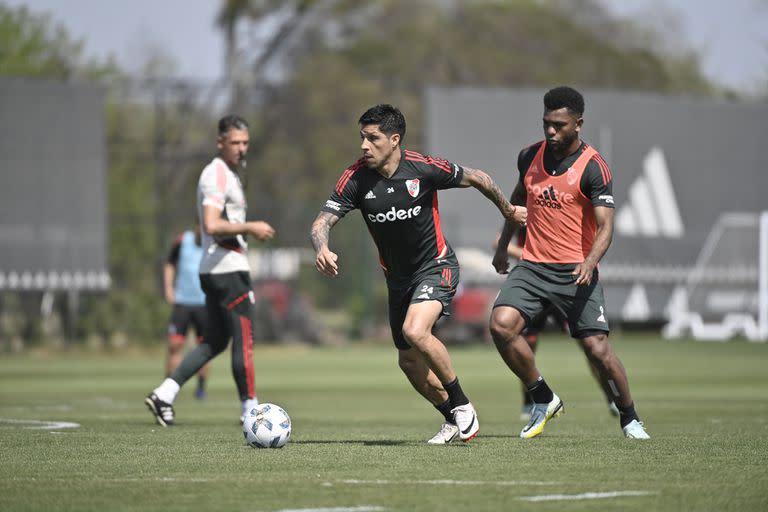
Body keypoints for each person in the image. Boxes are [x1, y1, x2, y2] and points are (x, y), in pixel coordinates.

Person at [310, 104, 526, 444]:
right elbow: (322, 221)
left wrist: (509, 210)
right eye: (362, 138)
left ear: (394, 140)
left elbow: (478, 178)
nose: (364, 146)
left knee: (415, 330)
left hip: (436, 266)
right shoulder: (355, 178)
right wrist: (321, 247)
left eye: (373, 138)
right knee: (409, 363)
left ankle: (462, 404)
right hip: (398, 279)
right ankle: (453, 417)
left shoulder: (423, 169)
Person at [489, 86, 650, 439]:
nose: (550, 131)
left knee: (598, 350)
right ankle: (543, 397)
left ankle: (630, 417)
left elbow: (607, 226)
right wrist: (503, 246)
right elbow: (516, 200)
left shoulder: (594, 168)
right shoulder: (528, 156)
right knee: (501, 326)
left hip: (575, 270)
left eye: (559, 125)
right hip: (532, 267)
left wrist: (591, 261)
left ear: (578, 124)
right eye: (546, 123)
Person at [145, 115, 276, 427]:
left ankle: (165, 393)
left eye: (245, 143)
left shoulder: (229, 175)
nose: (241, 149)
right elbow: (213, 225)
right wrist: (251, 227)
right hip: (227, 270)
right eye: (235, 143)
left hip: (218, 269)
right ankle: (251, 411)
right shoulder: (215, 174)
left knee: (215, 341)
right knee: (244, 338)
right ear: (220, 142)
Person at [496, 227, 620, 421]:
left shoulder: (566, 211)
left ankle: (612, 397)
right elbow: (498, 240)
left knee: (590, 346)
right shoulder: (531, 206)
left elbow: (601, 230)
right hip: (535, 280)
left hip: (566, 279)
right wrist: (533, 254)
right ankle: (530, 401)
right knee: (526, 342)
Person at [162, 221, 211, 400]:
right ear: (197, 225)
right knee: (174, 346)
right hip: (182, 302)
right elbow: (169, 263)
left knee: (205, 348)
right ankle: (167, 390)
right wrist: (168, 288)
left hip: (205, 304)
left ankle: (201, 388)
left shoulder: (213, 244)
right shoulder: (183, 240)